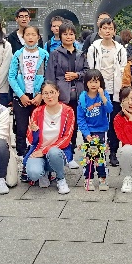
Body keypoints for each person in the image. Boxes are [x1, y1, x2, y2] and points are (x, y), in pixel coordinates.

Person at [46, 21, 88, 168]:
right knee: (62, 126)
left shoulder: (81, 54)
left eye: (71, 34)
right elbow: (50, 76)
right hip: (62, 96)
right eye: (65, 34)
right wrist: (52, 95)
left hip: (78, 95)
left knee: (74, 125)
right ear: (60, 35)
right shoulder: (55, 54)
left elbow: (87, 72)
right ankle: (62, 154)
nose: (68, 37)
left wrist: (77, 75)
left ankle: (71, 155)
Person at [87, 17, 128, 166]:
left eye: (110, 28)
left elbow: (123, 68)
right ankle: (96, 151)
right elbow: (91, 68)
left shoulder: (120, 49)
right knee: (97, 120)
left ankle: (113, 152)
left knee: (114, 122)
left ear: (114, 31)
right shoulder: (94, 48)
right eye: (104, 28)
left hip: (115, 89)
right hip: (98, 89)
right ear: (100, 31)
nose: (107, 31)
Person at [24, 81, 74, 194]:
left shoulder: (68, 111)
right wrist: (34, 131)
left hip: (58, 151)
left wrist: (44, 150)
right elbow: (31, 140)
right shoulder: (37, 112)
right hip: (38, 150)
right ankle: (45, 172)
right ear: (42, 96)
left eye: (52, 92)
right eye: (45, 93)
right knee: (33, 173)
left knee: (53, 152)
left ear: (58, 93)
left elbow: (67, 138)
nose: (49, 96)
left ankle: (60, 178)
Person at [8, 25, 49, 156]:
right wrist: (21, 95)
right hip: (21, 96)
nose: (30, 37)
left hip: (38, 96)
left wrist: (41, 94)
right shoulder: (18, 54)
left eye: (33, 34)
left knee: (38, 125)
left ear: (38, 37)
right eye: (27, 35)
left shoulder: (44, 55)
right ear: (23, 37)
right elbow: (11, 77)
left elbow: (48, 76)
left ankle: (38, 150)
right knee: (21, 127)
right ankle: (21, 153)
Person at [77, 70, 112, 191]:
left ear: (100, 83)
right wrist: (86, 134)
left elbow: (109, 109)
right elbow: (80, 118)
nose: (93, 84)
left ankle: (102, 178)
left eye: (96, 81)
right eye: (91, 81)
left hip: (101, 130)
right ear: (86, 83)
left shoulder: (104, 94)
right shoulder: (82, 97)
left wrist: (103, 96)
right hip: (88, 131)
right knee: (88, 155)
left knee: (100, 154)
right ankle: (88, 178)